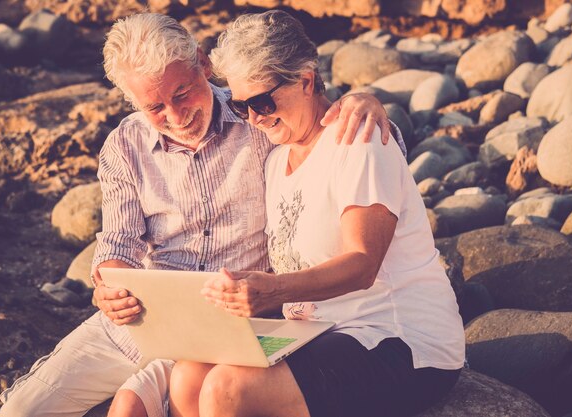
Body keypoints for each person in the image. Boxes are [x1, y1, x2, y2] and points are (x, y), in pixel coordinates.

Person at [0, 12, 398, 417]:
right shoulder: (125, 145)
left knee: (133, 408)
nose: (176, 115)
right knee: (21, 410)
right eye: (155, 106)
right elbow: (118, 242)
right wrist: (109, 287)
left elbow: (318, 125)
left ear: (203, 65)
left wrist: (360, 102)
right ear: (134, 102)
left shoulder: (254, 116)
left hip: (236, 328)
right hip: (145, 321)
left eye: (183, 92)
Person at [155, 10, 465, 417]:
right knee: (189, 376)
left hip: (396, 338)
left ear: (305, 79)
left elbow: (362, 265)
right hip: (313, 331)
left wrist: (275, 289)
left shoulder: (358, 139)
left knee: (225, 390)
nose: (254, 118)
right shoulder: (275, 158)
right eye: (242, 104)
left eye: (263, 101)